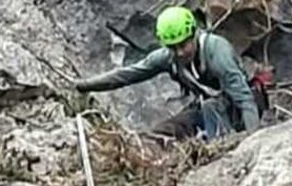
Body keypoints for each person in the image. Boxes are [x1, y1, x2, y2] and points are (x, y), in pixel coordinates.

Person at [74, 5, 262, 141]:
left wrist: (253, 142)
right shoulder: (166, 57)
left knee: (211, 107)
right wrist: (83, 85)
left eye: (183, 45)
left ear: (193, 34)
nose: (179, 52)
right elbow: (128, 75)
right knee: (162, 132)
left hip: (238, 107)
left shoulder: (217, 52)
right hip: (206, 106)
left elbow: (245, 99)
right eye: (173, 47)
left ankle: (218, 149)